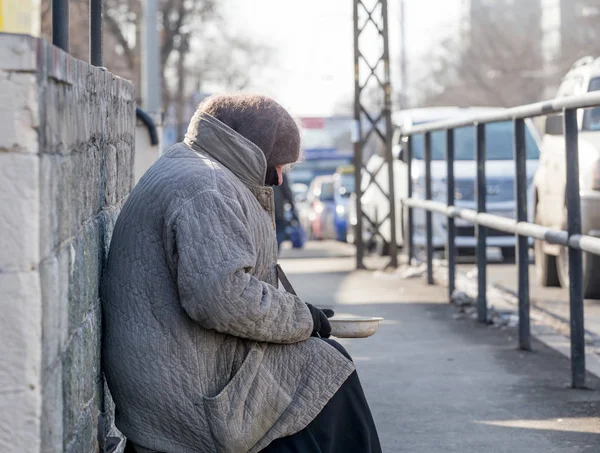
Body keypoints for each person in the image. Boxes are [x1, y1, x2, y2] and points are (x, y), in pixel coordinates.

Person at [101, 94, 382, 453]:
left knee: (321, 365)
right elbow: (221, 297)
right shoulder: (208, 187)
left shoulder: (191, 166)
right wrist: (301, 318)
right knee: (327, 369)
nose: (280, 180)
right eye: (279, 165)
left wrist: (300, 319)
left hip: (177, 376)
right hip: (188, 400)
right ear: (254, 150)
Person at [273, 173, 296, 252]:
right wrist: (293, 208)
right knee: (279, 232)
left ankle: (271, 255)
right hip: (278, 210)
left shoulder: (261, 168)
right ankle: (274, 253)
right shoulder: (280, 172)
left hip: (265, 210)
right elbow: (287, 192)